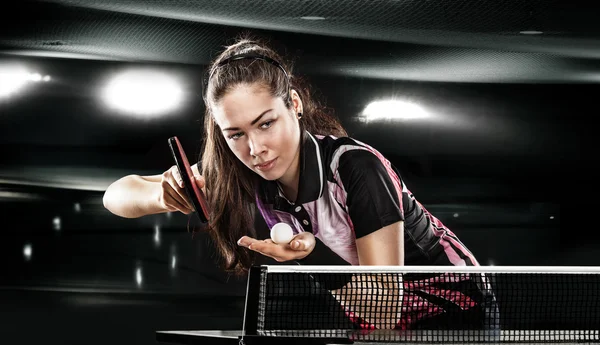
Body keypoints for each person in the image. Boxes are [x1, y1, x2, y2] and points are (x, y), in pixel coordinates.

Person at [103, 35, 498, 330]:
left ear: (294, 103)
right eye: (235, 133)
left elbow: (384, 306)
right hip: (370, 313)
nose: (255, 148)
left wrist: (312, 255)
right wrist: (161, 191)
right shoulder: (235, 174)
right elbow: (115, 196)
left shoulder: (357, 168)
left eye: (266, 123)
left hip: (453, 305)